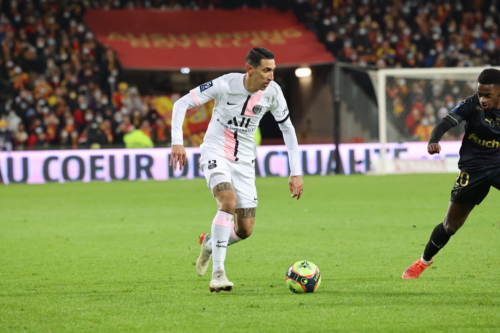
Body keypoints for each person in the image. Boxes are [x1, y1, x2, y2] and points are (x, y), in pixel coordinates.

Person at [169, 47, 303, 292]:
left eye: (273, 70)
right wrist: (177, 142)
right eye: (266, 71)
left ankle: (209, 244)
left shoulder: (273, 92)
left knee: (245, 229)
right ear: (249, 69)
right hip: (215, 151)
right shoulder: (224, 84)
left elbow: (288, 129)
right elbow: (181, 104)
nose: (271, 76)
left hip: (244, 163)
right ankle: (218, 274)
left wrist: (295, 172)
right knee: (227, 201)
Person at [402, 68, 500, 279]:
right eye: (480, 93)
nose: (482, 99)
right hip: (473, 168)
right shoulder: (472, 104)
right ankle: (423, 261)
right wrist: (433, 140)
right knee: (450, 225)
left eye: (488, 95)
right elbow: (446, 123)